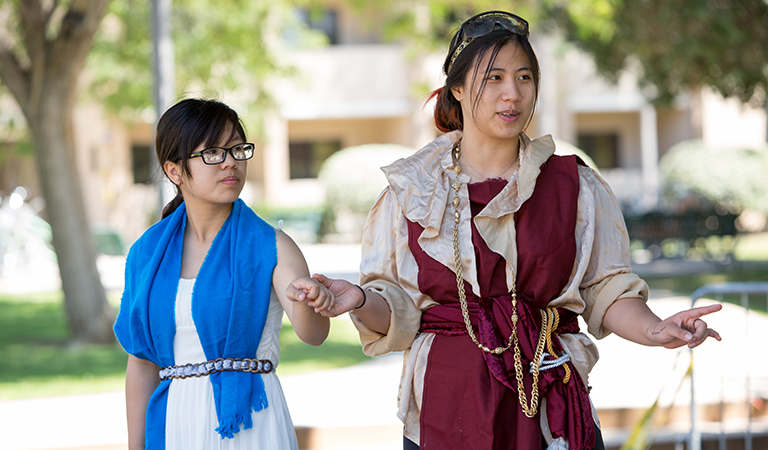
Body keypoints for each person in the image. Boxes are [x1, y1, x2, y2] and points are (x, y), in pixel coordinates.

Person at [312, 11, 722, 450]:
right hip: (447, 405)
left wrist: (654, 329)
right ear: (457, 88)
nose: (513, 94)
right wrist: (358, 299)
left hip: (550, 403)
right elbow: (396, 312)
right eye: (494, 78)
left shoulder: (573, 185)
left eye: (525, 77)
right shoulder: (412, 191)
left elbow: (607, 288)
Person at [114, 98, 334, 450]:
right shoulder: (147, 253)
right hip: (175, 422)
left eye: (237, 149)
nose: (231, 161)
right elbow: (141, 364)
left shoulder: (272, 244)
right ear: (174, 170)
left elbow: (314, 334)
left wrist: (312, 300)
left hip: (252, 423)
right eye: (213, 152)